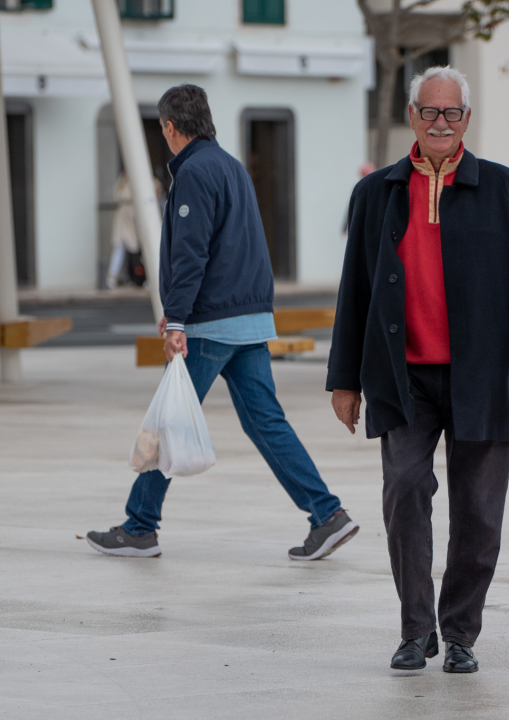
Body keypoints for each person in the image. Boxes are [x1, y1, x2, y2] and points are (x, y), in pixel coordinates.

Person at [328, 66, 509, 674]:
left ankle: (460, 634)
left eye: (451, 112)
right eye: (429, 111)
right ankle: (415, 630)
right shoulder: (375, 193)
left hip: (481, 376)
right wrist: (344, 378)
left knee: (479, 513)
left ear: (466, 119)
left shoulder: (507, 191)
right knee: (404, 493)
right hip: (402, 378)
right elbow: (355, 291)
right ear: (411, 116)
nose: (440, 122)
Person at [88, 85, 358, 561]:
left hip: (210, 323)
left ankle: (140, 527)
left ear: (170, 127)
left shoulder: (193, 172)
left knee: (169, 418)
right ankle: (327, 514)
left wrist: (177, 317)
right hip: (248, 318)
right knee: (266, 423)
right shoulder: (232, 166)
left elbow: (191, 252)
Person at [105, 172, 162, 289]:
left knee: (145, 247)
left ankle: (151, 277)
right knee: (120, 246)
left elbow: (156, 190)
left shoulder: (144, 177)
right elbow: (117, 194)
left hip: (139, 215)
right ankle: (112, 277)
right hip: (124, 217)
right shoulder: (122, 180)